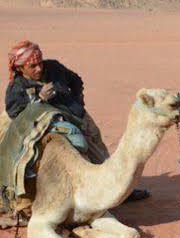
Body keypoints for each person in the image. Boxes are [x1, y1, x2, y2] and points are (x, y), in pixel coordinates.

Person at [5, 41, 149, 202]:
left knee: (100, 153)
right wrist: (39, 99)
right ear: (20, 68)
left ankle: (122, 191)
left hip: (79, 116)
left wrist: (78, 102)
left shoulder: (54, 67)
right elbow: (15, 114)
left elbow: (76, 81)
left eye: (40, 63)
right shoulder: (16, 88)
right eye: (33, 67)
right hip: (56, 126)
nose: (39, 68)